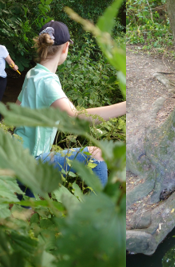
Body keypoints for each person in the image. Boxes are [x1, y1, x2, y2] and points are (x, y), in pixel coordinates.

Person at [14, 20, 126, 194]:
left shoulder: (32, 74)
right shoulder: (47, 81)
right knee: (96, 154)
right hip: (31, 162)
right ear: (66, 47)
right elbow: (77, 118)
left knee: (26, 212)